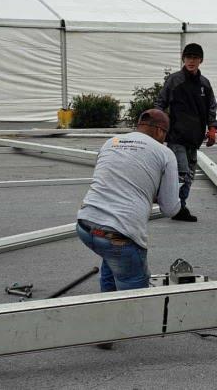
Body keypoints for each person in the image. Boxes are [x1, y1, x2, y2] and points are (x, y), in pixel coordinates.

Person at [76, 109, 180, 296]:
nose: (164, 139)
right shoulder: (165, 153)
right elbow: (171, 208)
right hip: (119, 236)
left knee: (112, 261)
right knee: (134, 298)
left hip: (85, 226)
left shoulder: (111, 142)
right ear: (159, 131)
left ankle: (107, 312)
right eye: (165, 134)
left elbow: (113, 179)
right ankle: (129, 322)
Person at [155, 43, 217, 222]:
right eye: (188, 57)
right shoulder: (174, 81)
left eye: (195, 58)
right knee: (182, 173)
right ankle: (178, 208)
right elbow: (161, 103)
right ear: (183, 59)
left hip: (194, 138)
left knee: (189, 175)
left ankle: (177, 204)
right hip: (177, 136)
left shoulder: (205, 84)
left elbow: (211, 106)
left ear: (201, 60)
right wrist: (156, 125)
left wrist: (212, 128)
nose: (191, 61)